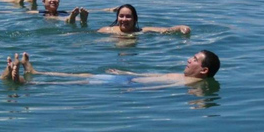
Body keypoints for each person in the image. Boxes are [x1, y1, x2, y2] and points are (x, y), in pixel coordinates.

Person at [14, 51, 220, 87]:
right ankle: (36, 73)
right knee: (85, 76)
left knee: (82, 81)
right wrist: (128, 73)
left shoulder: (192, 82)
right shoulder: (184, 77)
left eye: (193, 59)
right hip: (128, 80)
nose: (188, 60)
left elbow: (160, 88)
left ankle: (30, 83)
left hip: (128, 86)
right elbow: (156, 77)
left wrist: (135, 87)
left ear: (203, 70)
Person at [97, 4, 191, 35]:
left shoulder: (142, 31)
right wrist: (83, 21)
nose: (124, 19)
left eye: (128, 16)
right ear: (117, 18)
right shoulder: (108, 30)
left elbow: (166, 30)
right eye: (121, 16)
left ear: (135, 19)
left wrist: (181, 27)